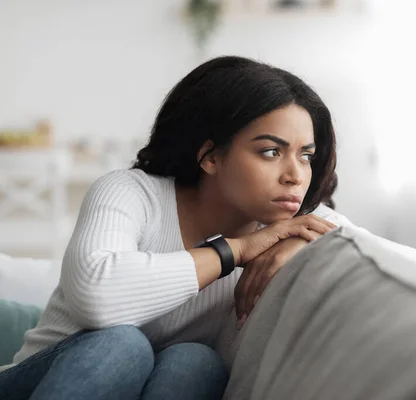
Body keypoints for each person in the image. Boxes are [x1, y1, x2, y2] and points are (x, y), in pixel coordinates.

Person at [0, 56, 353, 400]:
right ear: (211, 156)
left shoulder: (282, 224)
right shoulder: (131, 192)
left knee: (196, 362)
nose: (295, 175)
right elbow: (97, 297)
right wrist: (236, 250)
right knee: (122, 345)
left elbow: (355, 242)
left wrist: (301, 242)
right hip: (31, 382)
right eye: (271, 152)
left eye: (306, 156)